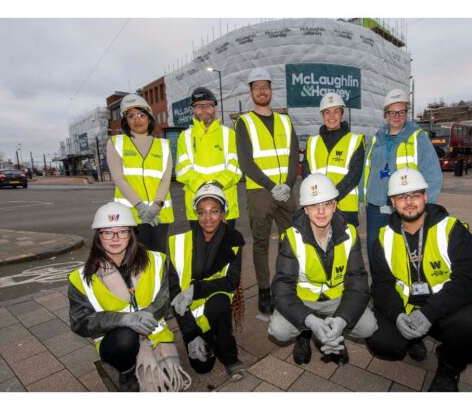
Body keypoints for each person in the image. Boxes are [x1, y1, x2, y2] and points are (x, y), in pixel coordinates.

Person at [366, 168, 472, 392]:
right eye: (401, 197)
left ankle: (449, 365)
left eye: (414, 195)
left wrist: (428, 314)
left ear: (426, 196)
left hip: (444, 308)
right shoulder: (383, 239)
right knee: (380, 340)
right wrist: (397, 317)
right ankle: (413, 338)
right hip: (405, 308)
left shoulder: (452, 230)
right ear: (392, 202)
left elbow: (470, 281)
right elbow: (382, 286)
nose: (409, 202)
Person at [68, 202, 190, 392]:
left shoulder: (157, 261)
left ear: (131, 234)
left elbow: (164, 297)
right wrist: (123, 319)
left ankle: (151, 355)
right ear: (98, 236)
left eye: (122, 231)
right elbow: (80, 323)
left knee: (169, 382)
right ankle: (128, 369)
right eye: (108, 232)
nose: (115, 238)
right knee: (126, 338)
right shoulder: (81, 278)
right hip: (117, 338)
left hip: (154, 331)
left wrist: (147, 313)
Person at [268, 173, 378, 366]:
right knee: (279, 330)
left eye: (326, 204)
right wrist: (310, 320)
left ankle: (334, 333)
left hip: (337, 299)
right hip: (304, 301)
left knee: (369, 327)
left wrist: (341, 321)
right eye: (313, 205)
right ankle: (304, 334)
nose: (321, 211)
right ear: (305, 209)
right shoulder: (291, 237)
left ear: (335, 206)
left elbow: (358, 284)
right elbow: (281, 289)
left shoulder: (349, 233)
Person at [234, 67, 299, 314]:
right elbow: (246, 162)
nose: (262, 91)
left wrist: (289, 184)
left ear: (271, 90)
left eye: (266, 86)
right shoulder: (244, 122)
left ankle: (288, 284)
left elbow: (294, 153)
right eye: (257, 87)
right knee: (261, 243)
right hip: (261, 192)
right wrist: (273, 186)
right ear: (251, 92)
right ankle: (264, 289)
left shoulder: (284, 119)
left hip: (286, 190)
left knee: (291, 241)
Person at [167, 184, 247, 381]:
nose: (208, 218)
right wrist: (190, 334)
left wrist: (196, 289)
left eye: (214, 212)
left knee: (218, 306)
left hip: (215, 302)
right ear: (197, 214)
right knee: (202, 367)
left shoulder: (234, 240)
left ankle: (230, 357)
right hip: (189, 311)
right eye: (202, 213)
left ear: (222, 214)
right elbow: (175, 290)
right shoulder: (179, 242)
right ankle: (205, 337)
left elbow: (230, 281)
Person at [363, 89, 442, 263]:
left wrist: (424, 206)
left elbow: (433, 173)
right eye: (392, 112)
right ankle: (380, 288)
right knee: (375, 251)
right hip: (376, 207)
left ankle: (402, 288)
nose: (397, 116)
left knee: (402, 253)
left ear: (407, 113)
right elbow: (366, 170)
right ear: (386, 114)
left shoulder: (417, 138)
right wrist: (363, 199)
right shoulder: (377, 139)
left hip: (405, 207)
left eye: (401, 112)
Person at [106, 93, 174, 253]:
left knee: (159, 259)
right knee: (135, 261)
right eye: (131, 116)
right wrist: (141, 206)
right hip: (130, 215)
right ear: (125, 120)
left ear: (149, 117)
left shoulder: (163, 145)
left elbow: (166, 179)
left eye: (141, 114)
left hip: (160, 214)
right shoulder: (116, 143)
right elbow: (118, 178)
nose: (137, 119)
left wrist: (156, 205)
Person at [175, 87, 241, 230]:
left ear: (215, 108)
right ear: (193, 109)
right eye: (199, 106)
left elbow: (235, 166)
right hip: (197, 208)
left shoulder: (229, 134)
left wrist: (215, 187)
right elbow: (182, 169)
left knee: (228, 250)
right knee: (200, 251)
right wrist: (204, 189)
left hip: (226, 206)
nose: (204, 110)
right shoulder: (184, 137)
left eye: (208, 105)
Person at [302, 92, 365, 227]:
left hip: (345, 207)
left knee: (346, 247)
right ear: (322, 115)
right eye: (327, 112)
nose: (331, 116)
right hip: (318, 209)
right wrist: (320, 200)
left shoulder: (355, 141)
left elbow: (354, 175)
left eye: (336, 111)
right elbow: (306, 175)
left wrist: (330, 198)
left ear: (342, 114)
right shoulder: (312, 142)